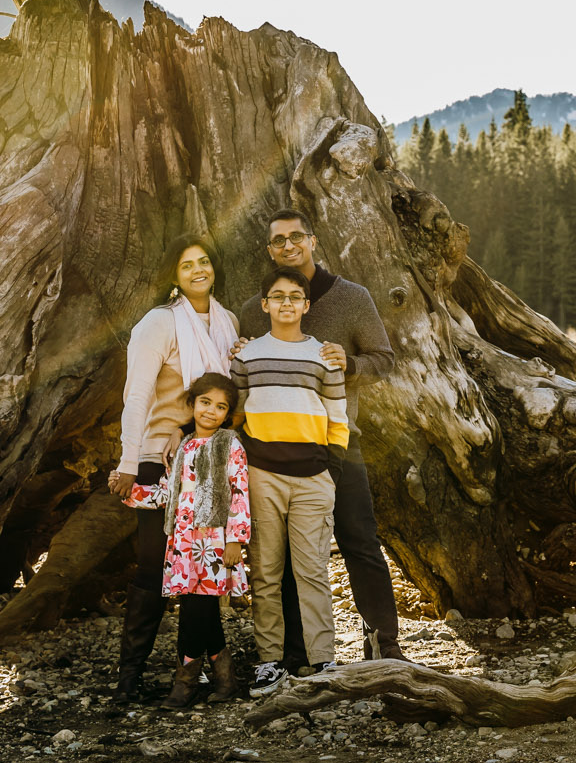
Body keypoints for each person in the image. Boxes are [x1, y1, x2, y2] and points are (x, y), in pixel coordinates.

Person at [237, 208, 406, 663]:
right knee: (286, 556)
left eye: (296, 237)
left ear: (312, 241)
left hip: (339, 442)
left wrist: (348, 364)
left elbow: (384, 359)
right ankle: (295, 652)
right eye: (278, 241)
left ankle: (383, 644)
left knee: (360, 541)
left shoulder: (352, 298)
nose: (288, 246)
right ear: (270, 250)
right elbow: (243, 365)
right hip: (274, 453)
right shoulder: (257, 308)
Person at [106, 233, 239, 706]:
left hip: (207, 463)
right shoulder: (158, 324)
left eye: (204, 261)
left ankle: (205, 674)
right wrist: (126, 462)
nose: (198, 270)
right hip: (156, 461)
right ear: (174, 275)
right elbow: (137, 396)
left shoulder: (228, 323)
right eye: (187, 265)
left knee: (200, 568)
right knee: (151, 569)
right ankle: (130, 678)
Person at [231, 267, 350, 697]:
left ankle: (323, 659)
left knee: (313, 570)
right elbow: (239, 413)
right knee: (265, 570)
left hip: (313, 478)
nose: (285, 303)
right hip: (263, 475)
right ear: (264, 306)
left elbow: (338, 419)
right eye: (276, 296)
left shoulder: (325, 357)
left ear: (306, 305)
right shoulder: (246, 357)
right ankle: (269, 662)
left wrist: (329, 472)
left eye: (294, 297)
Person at [124, 373, 251, 706]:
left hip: (213, 542)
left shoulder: (229, 444)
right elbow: (169, 493)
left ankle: (186, 684)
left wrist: (237, 540)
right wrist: (130, 492)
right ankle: (225, 681)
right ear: (192, 404)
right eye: (205, 402)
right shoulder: (182, 446)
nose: (211, 411)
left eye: (220, 407)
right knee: (199, 607)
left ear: (228, 414)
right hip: (182, 542)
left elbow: (239, 493)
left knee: (196, 609)